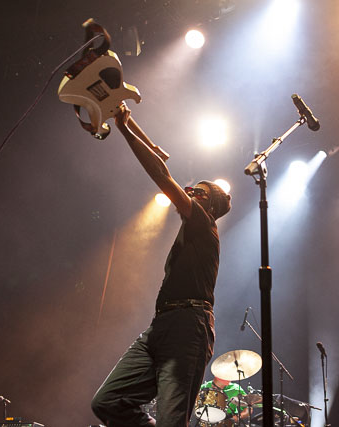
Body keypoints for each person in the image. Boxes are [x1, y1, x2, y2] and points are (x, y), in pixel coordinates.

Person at [90, 104, 232, 427]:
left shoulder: (203, 223)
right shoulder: (193, 228)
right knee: (108, 402)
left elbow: (160, 174)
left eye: (198, 191)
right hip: (161, 326)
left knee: (173, 420)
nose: (190, 191)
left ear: (207, 203)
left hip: (188, 328)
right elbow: (162, 165)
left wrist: (125, 129)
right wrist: (130, 124)